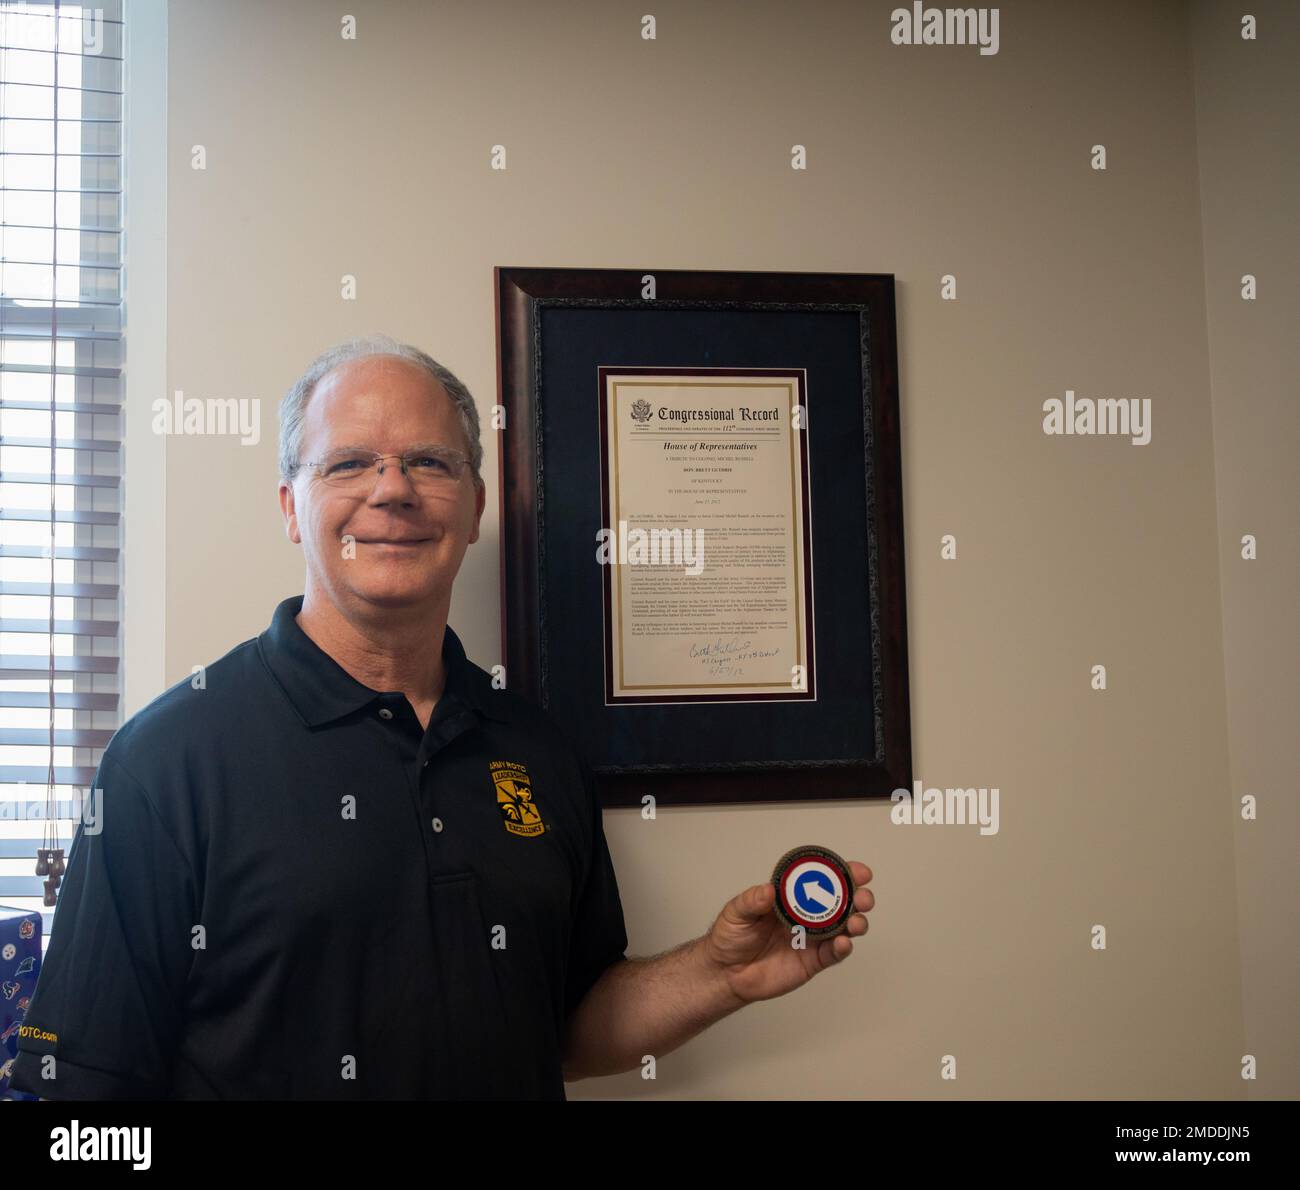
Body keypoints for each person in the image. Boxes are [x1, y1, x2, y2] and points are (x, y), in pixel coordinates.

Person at [10, 334, 874, 1100]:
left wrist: (721, 975)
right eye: (348, 463)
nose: (393, 489)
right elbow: (79, 1096)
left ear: (474, 506)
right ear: (289, 507)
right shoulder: (167, 762)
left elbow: (568, 1024)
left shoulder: (536, 749)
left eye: (429, 461)